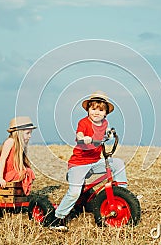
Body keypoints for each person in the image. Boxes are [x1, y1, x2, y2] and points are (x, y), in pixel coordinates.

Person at [50, 91, 128, 231]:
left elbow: (104, 132)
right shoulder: (84, 123)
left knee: (117, 164)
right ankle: (57, 218)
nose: (96, 112)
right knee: (74, 191)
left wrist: (109, 132)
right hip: (78, 164)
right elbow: (79, 133)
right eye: (93, 109)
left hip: (94, 162)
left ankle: (122, 195)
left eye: (100, 110)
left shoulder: (105, 123)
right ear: (88, 110)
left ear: (105, 113)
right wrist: (83, 138)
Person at [0, 116, 36, 196]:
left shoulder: (21, 145)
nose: (30, 136)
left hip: (12, 172)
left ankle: (19, 192)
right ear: (19, 133)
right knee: (25, 172)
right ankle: (21, 192)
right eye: (27, 133)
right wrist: (0, 178)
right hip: (4, 174)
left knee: (28, 171)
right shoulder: (10, 141)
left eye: (30, 133)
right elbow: (2, 160)